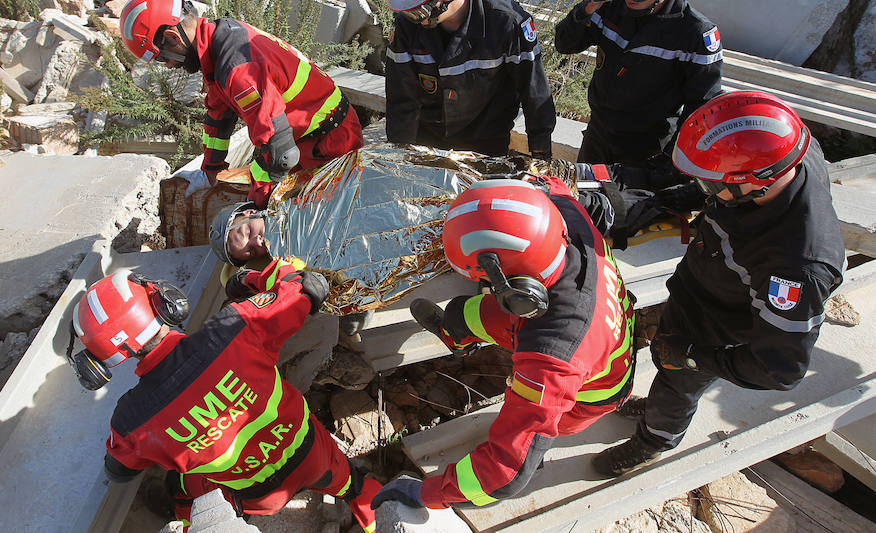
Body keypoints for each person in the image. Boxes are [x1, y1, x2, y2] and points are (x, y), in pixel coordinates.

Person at [592, 90, 846, 477]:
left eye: (711, 185)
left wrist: (694, 355)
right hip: (702, 285)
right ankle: (665, 393)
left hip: (719, 329)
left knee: (680, 382)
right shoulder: (789, 149)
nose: (706, 190)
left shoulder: (796, 268)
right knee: (668, 365)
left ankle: (654, 441)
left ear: (754, 183)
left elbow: (780, 369)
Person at [371, 177, 635, 510]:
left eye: (482, 280)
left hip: (591, 393)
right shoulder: (571, 217)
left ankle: (537, 454)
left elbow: (505, 473)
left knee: (530, 438)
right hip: (588, 320)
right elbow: (554, 188)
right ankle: (457, 339)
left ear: (517, 290)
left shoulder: (550, 358)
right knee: (462, 314)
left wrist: (429, 494)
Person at [67, 268, 381, 531]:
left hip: (259, 497)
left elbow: (119, 471)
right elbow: (311, 286)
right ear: (166, 303)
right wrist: (252, 279)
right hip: (315, 455)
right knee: (350, 482)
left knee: (179, 485)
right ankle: (364, 503)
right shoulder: (234, 326)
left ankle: (190, 522)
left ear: (96, 365)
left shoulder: (131, 421)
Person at [118, 0, 364, 208]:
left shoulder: (238, 68)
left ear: (173, 37)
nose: (169, 66)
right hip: (312, 136)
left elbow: (281, 154)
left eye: (163, 58)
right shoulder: (219, 39)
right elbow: (219, 116)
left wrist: (253, 205)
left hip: (331, 146)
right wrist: (210, 170)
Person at [554, 0, 723, 166]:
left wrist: (669, 164)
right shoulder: (610, 7)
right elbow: (564, 45)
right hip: (598, 140)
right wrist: (585, 9)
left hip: (647, 154)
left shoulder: (695, 35)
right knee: (583, 203)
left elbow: (701, 110)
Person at [383, 0, 557, 159]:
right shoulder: (407, 28)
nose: (411, 19)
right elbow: (401, 101)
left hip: (486, 145)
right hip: (428, 141)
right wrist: (400, 159)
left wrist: (540, 155)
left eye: (417, 11)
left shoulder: (508, 24)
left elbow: (534, 93)